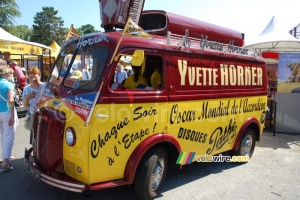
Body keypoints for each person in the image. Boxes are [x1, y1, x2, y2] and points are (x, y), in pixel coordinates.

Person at [0, 59, 17, 172]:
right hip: (6, 112)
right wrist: (12, 114)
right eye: (10, 74)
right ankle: (6, 163)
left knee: (2, 135)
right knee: (8, 137)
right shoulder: (8, 84)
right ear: (6, 74)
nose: (11, 76)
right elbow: (10, 100)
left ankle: (5, 157)